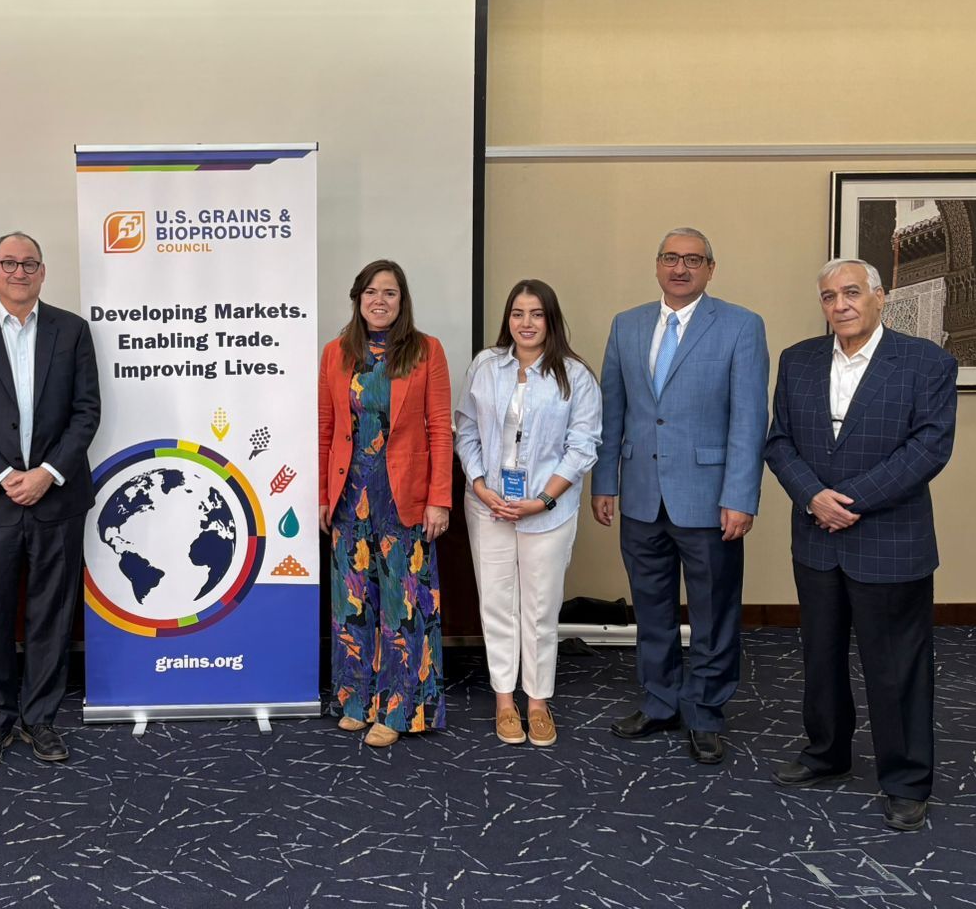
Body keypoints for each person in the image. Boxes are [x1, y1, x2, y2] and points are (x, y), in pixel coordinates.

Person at [764, 258, 957, 832]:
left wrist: (848, 501)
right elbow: (779, 442)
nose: (840, 304)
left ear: (880, 297)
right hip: (816, 538)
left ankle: (906, 779)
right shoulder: (797, 360)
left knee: (896, 667)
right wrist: (813, 497)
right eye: (829, 296)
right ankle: (827, 752)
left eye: (851, 292)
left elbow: (928, 449)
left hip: (890, 540)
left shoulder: (926, 362)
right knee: (820, 656)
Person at [590, 227, 768, 765]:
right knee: (651, 608)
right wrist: (605, 482)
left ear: (711, 269)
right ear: (657, 265)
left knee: (713, 612)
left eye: (693, 259)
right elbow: (613, 410)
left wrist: (741, 496)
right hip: (641, 496)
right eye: (671, 257)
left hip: (710, 499)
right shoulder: (627, 325)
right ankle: (661, 700)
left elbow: (749, 419)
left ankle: (705, 712)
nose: (680, 268)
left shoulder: (740, 325)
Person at [0, 232, 101, 770]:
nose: (19, 272)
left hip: (56, 497)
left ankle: (41, 719)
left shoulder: (72, 331)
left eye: (29, 263)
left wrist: (47, 473)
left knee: (51, 613)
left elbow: (86, 411)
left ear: (43, 272)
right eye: (8, 263)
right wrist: (5, 475)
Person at [457, 279, 601, 748]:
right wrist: (481, 487)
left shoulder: (575, 376)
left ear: (550, 319)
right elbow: (465, 431)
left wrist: (543, 500)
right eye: (518, 313)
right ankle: (504, 699)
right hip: (489, 507)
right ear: (508, 319)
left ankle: (537, 701)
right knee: (497, 604)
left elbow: (583, 447)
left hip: (547, 511)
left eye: (536, 314)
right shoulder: (486, 365)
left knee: (540, 609)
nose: (526, 323)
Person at [318, 259, 453, 748]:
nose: (380, 301)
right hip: (349, 496)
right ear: (358, 298)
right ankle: (355, 701)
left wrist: (439, 499)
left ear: (402, 300)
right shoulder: (336, 353)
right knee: (352, 603)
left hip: (405, 496)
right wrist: (322, 495)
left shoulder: (426, 350)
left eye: (390, 293)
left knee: (404, 606)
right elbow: (325, 428)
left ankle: (400, 711)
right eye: (371, 292)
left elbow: (440, 430)